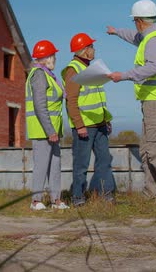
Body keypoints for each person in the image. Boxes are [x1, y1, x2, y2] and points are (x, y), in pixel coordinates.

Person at [106, 0, 156, 200]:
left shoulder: (154, 41)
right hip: (153, 101)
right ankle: (151, 192)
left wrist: (124, 76)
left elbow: (152, 67)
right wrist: (116, 31)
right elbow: (134, 37)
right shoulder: (150, 36)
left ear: (138, 20)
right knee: (147, 149)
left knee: (155, 149)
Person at [62, 33, 116, 207]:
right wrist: (79, 125)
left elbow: (98, 98)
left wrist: (106, 120)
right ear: (83, 51)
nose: (94, 50)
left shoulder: (93, 69)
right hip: (84, 127)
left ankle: (106, 195)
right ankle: (78, 197)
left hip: (100, 125)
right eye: (91, 47)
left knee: (105, 161)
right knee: (81, 164)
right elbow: (71, 101)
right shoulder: (73, 70)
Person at [26, 40, 70, 210]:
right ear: (47, 57)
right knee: (42, 165)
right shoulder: (39, 75)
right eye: (54, 55)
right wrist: (50, 130)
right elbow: (39, 105)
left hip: (52, 129)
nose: (55, 58)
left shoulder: (48, 75)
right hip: (42, 130)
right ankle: (35, 201)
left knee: (55, 165)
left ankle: (56, 200)